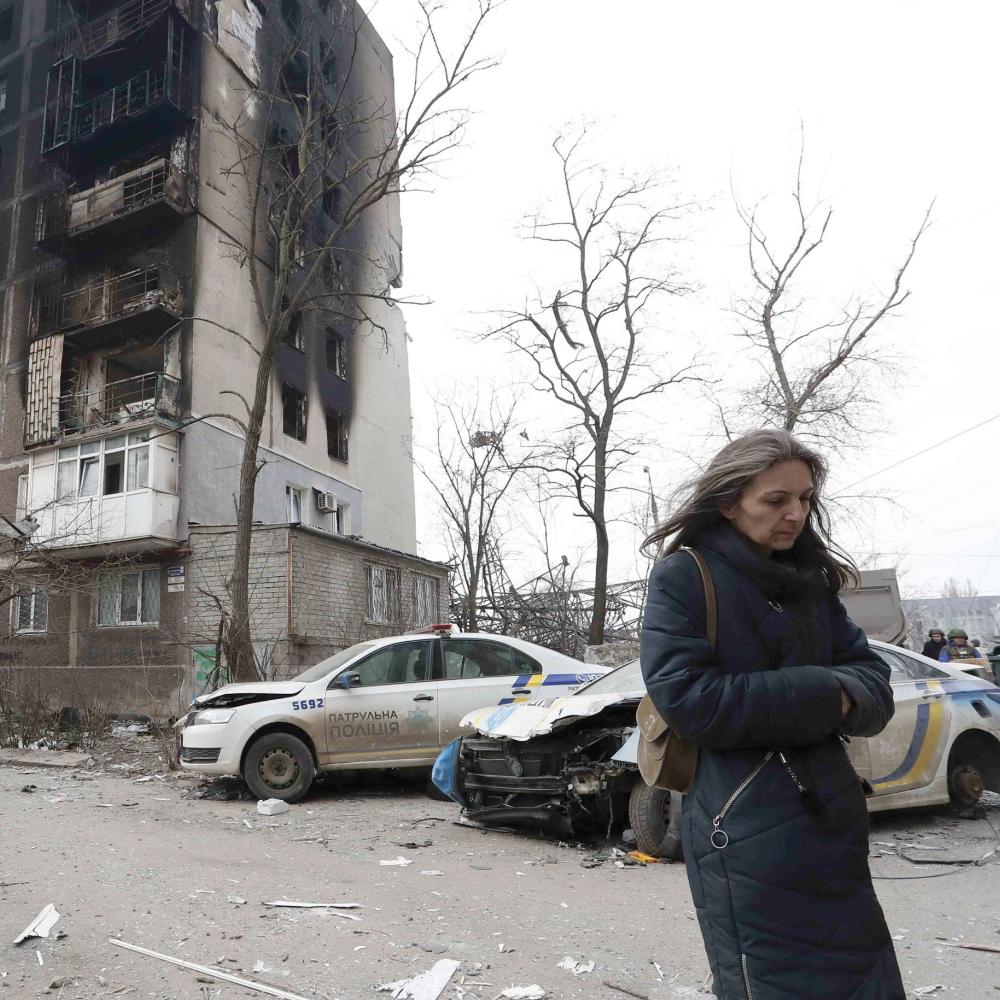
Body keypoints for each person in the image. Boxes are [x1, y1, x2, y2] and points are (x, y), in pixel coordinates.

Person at [640, 429, 902, 1000]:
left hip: (832, 816)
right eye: (776, 500)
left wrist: (841, 691)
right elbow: (691, 702)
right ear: (729, 500)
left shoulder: (810, 580)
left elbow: (876, 682)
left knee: (863, 980)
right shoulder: (685, 576)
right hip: (743, 820)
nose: (796, 515)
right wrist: (828, 694)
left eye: (805, 498)